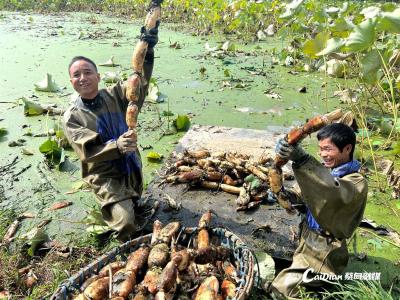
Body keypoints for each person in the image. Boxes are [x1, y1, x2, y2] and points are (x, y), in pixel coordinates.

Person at [62, 21, 159, 241]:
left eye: (88, 72)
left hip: (130, 166)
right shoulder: (72, 117)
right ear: (71, 82)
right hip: (105, 174)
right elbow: (88, 151)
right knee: (126, 223)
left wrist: (148, 48)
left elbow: (139, 80)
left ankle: (128, 199)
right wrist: (117, 146)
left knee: (136, 203)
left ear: (98, 76)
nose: (83, 78)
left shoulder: (115, 94)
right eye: (77, 75)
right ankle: (127, 238)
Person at [270, 123, 368, 299]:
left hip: (324, 250)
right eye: (320, 149)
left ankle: (323, 283)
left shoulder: (356, 182)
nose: (323, 155)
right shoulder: (329, 171)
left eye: (328, 149)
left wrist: (302, 159)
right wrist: (284, 196)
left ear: (347, 149)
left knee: (281, 289)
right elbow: (306, 195)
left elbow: (332, 192)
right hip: (307, 239)